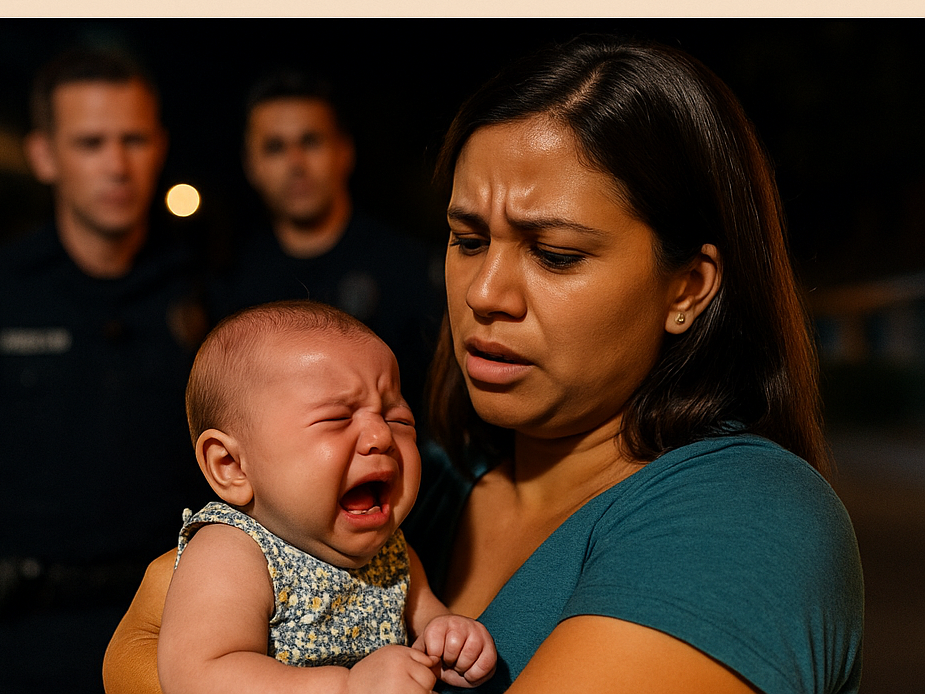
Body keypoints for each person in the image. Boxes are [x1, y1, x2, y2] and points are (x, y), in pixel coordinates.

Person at [103, 36, 864, 694]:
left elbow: (150, 661)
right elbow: (142, 640)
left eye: (554, 254)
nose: (484, 293)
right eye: (467, 241)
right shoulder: (416, 484)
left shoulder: (745, 518)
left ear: (688, 287)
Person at [0, 48, 208, 694]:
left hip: (166, 635)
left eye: (133, 140)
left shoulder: (205, 292)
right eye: (90, 143)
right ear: (44, 155)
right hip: (13, 644)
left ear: (159, 147)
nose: (116, 165)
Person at [157, 300, 496, 694]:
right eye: (337, 418)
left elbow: (430, 622)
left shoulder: (392, 552)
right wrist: (347, 687)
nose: (381, 436)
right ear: (231, 465)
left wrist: (451, 638)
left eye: (398, 418)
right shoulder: (231, 552)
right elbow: (196, 676)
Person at [213, 69, 442, 417]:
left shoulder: (404, 266)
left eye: (310, 142)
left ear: (344, 151)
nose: (295, 163)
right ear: (251, 164)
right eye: (275, 147)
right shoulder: (232, 279)